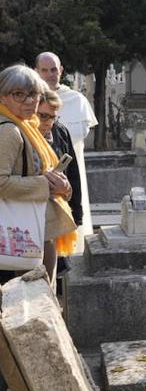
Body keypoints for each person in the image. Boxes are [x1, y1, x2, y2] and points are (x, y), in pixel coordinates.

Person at [0, 65, 76, 289]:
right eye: (18, 94)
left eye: (33, 94)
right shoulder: (9, 131)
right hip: (22, 233)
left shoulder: (26, 125)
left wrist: (61, 186)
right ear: (3, 97)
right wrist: (47, 185)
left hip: (33, 227)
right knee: (33, 300)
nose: (28, 101)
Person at [35, 52, 97, 248]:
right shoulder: (28, 102)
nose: (49, 74)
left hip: (69, 174)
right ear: (36, 72)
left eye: (54, 69)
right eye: (44, 70)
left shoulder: (77, 100)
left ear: (61, 71)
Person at [37, 91, 83, 286]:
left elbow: (72, 174)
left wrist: (68, 191)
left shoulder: (60, 131)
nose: (48, 122)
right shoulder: (17, 134)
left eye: (53, 117)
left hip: (52, 220)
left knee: (49, 285)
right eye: (43, 116)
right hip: (27, 223)